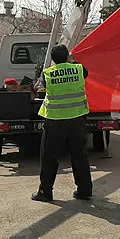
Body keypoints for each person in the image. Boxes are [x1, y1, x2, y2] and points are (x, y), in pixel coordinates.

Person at [31, 44, 92, 202]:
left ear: (53, 59)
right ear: (67, 57)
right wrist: (71, 61)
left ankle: (45, 192)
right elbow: (85, 72)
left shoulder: (47, 73)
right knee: (79, 155)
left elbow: (44, 86)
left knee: (49, 157)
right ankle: (84, 190)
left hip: (54, 120)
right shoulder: (79, 69)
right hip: (77, 119)